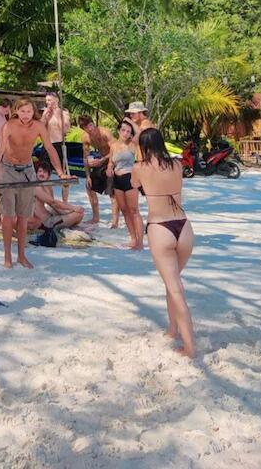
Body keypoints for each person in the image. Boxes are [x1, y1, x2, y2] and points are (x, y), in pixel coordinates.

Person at [131, 127, 195, 358]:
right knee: (173, 282)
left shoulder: (140, 167)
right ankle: (173, 329)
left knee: (175, 287)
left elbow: (133, 183)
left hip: (160, 228)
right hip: (184, 227)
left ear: (143, 147)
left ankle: (189, 347)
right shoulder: (177, 164)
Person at [0, 98, 67, 269]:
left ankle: (21, 255)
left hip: (27, 170)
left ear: (33, 112)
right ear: (16, 111)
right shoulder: (9, 126)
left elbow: (49, 148)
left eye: (29, 112)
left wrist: (61, 172)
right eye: (22, 111)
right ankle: (7, 256)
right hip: (8, 169)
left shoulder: (39, 126)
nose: (26, 115)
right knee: (7, 216)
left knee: (23, 216)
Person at [107, 118, 144, 249]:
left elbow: (139, 132)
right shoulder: (113, 146)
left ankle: (140, 242)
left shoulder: (132, 144)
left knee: (134, 210)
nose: (125, 133)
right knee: (124, 210)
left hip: (129, 177)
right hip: (117, 179)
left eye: (128, 131)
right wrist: (109, 168)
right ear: (118, 131)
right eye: (123, 130)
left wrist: (129, 120)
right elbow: (111, 162)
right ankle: (133, 239)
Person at [77, 115, 118, 226]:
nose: (90, 129)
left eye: (91, 125)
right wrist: (88, 176)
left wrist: (103, 159)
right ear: (83, 129)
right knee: (89, 186)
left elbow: (116, 150)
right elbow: (86, 157)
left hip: (115, 159)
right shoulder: (85, 137)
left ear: (93, 123)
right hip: (102, 160)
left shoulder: (104, 132)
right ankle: (95, 218)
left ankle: (115, 222)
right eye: (87, 127)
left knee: (111, 191)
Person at [28, 157, 84, 231]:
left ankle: (67, 222)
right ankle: (60, 225)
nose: (42, 174)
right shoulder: (36, 187)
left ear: (49, 176)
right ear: (36, 173)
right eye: (40, 171)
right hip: (44, 223)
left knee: (77, 213)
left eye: (44, 172)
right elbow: (53, 203)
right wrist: (73, 208)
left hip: (48, 215)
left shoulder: (47, 186)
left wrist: (68, 211)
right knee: (77, 215)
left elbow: (54, 206)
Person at [41, 92, 71, 202]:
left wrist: (57, 115)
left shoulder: (64, 113)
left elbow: (65, 130)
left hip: (59, 144)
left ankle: (65, 201)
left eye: (50, 100)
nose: (48, 103)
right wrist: (45, 117)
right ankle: (48, 200)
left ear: (56, 100)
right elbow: (40, 128)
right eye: (47, 100)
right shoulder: (45, 112)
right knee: (44, 174)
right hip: (47, 144)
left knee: (64, 175)